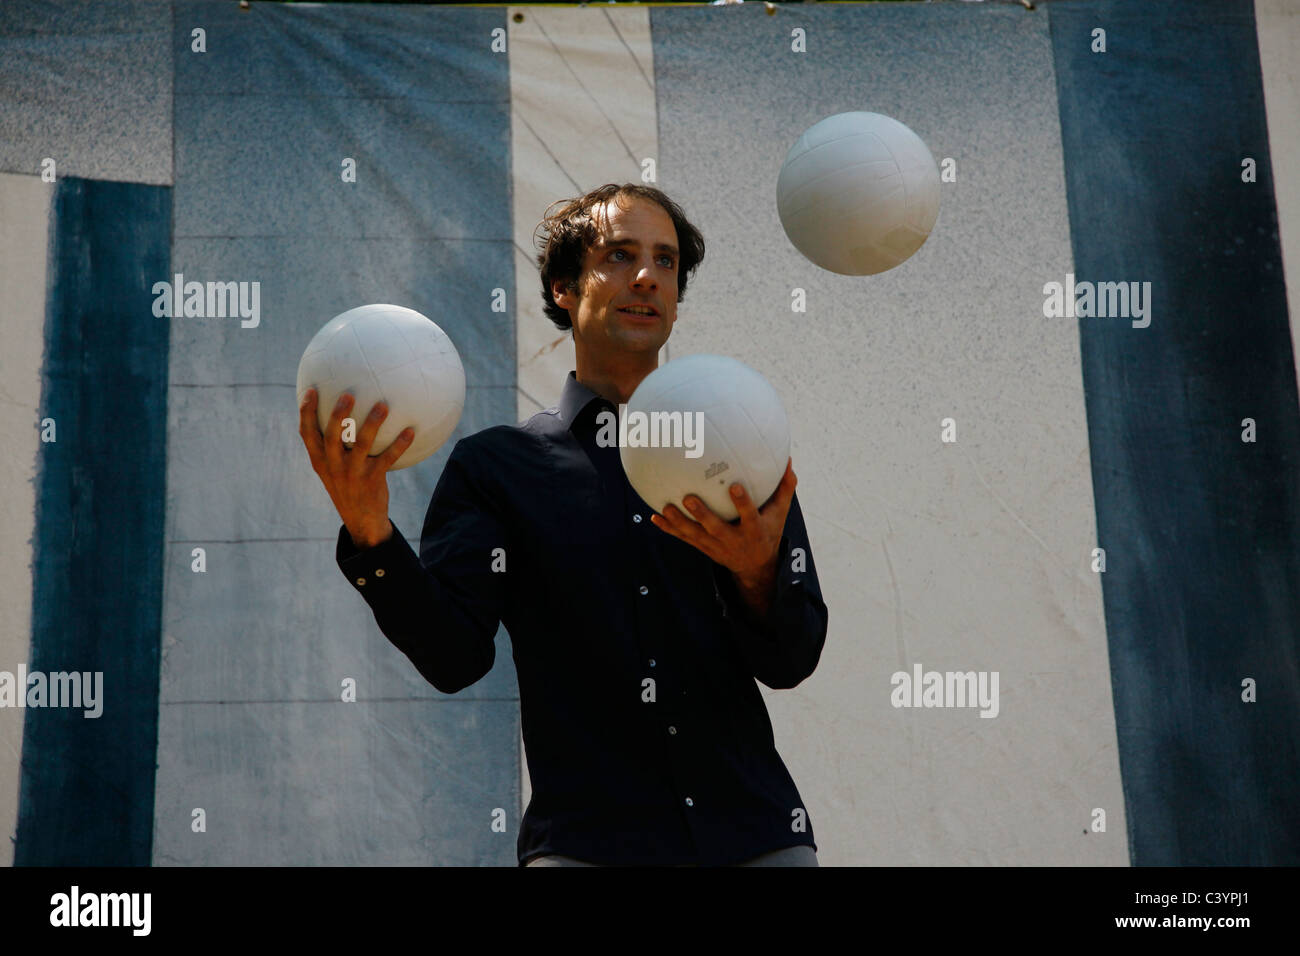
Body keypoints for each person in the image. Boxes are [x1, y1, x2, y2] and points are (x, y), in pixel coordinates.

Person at [298, 183, 829, 867]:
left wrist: (758, 577)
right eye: (618, 255)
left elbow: (792, 658)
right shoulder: (497, 468)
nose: (646, 276)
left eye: (665, 262)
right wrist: (371, 534)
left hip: (758, 840)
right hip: (586, 847)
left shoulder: (740, 437)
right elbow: (455, 658)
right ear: (561, 289)